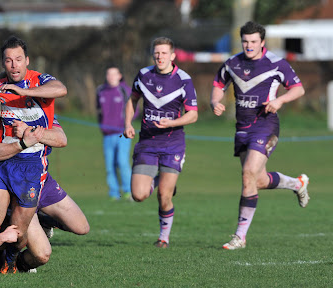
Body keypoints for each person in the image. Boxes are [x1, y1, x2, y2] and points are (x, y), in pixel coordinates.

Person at [0, 36, 67, 273]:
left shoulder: (41, 80)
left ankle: (9, 260)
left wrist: (24, 90)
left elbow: (61, 89)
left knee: (21, 237)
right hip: (5, 165)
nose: (14, 65)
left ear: (27, 61)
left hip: (31, 168)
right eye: (9, 60)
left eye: (18, 59)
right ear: (4, 63)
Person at [210, 21, 309, 250]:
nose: (249, 45)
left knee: (248, 174)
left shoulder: (276, 63)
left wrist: (279, 100)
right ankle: (297, 184)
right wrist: (216, 102)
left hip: (266, 124)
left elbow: (298, 89)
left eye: (254, 41)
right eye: (245, 41)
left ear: (262, 42)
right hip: (242, 128)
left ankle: (239, 237)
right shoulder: (233, 63)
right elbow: (218, 84)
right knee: (257, 180)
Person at [124, 37, 198, 248]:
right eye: (157, 53)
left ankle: (163, 237)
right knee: (138, 195)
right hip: (147, 142)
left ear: (172, 56)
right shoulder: (144, 75)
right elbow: (133, 99)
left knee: (164, 196)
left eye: (164, 53)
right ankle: (158, 179)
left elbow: (193, 115)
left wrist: (172, 122)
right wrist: (128, 122)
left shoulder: (183, 79)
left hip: (172, 143)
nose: (160, 56)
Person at [96, 65, 133, 201]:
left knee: (122, 162)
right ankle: (113, 193)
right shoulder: (101, 91)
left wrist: (126, 123)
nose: (111, 77)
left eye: (114, 74)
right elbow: (98, 111)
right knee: (110, 164)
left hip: (122, 133)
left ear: (119, 76)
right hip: (107, 134)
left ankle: (129, 191)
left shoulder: (124, 90)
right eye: (108, 74)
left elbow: (134, 109)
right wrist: (102, 126)